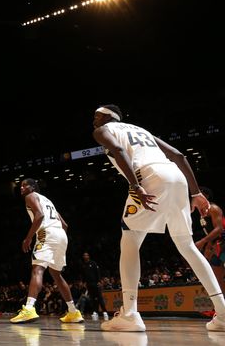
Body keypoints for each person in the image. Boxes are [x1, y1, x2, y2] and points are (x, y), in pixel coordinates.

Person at [92, 104, 225, 332]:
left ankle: (131, 314)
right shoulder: (141, 130)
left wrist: (135, 185)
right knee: (187, 245)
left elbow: (119, 151)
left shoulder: (103, 130)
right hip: (176, 175)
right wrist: (196, 192)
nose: (93, 120)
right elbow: (178, 155)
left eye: (96, 116)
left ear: (107, 117)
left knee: (130, 240)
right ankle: (222, 313)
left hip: (149, 176)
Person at [10, 179, 84, 324]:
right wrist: (57, 237)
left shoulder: (30, 196)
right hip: (61, 235)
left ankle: (29, 309)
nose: (22, 187)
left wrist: (28, 238)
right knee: (56, 274)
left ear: (33, 187)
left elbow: (39, 216)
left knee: (37, 269)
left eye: (25, 185)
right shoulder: (48, 200)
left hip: (46, 233)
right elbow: (65, 225)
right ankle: (73, 312)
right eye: (21, 186)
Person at [196, 187, 225, 296]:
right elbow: (210, 233)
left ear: (206, 196)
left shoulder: (213, 208)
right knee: (218, 279)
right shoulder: (202, 213)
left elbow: (219, 229)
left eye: (200, 194)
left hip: (223, 243)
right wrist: (208, 247)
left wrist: (202, 242)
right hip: (215, 245)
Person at [80, 252, 108, 320]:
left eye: (86, 255)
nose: (85, 256)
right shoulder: (83, 265)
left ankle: (105, 312)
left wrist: (99, 281)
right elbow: (83, 275)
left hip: (96, 283)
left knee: (100, 297)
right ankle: (95, 311)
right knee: (93, 299)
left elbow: (97, 272)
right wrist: (84, 282)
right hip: (89, 284)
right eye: (84, 255)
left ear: (89, 256)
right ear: (83, 257)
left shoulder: (93, 263)